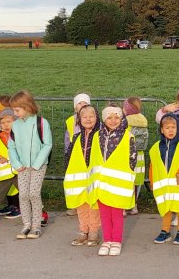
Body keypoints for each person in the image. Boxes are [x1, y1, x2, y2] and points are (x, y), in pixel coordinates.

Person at [92, 105, 136, 256]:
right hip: (102, 184)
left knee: (117, 214)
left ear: (121, 118)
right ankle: (107, 240)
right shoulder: (97, 135)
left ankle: (116, 241)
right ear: (104, 120)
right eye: (109, 117)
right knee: (104, 215)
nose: (113, 120)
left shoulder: (128, 136)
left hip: (118, 185)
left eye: (117, 117)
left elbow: (132, 159)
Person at [8, 90, 52, 240]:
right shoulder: (15, 125)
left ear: (27, 106)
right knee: (23, 195)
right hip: (22, 166)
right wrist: (17, 163)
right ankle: (26, 224)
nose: (15, 113)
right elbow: (11, 146)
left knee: (33, 193)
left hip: (37, 166)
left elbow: (47, 144)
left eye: (17, 110)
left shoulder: (41, 122)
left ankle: (36, 225)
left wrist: (37, 163)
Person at [63, 104, 101, 247]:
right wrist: (67, 171)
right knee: (81, 205)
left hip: (94, 178)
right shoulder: (77, 136)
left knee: (93, 205)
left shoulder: (100, 135)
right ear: (79, 119)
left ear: (97, 118)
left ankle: (93, 232)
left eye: (91, 116)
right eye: (84, 117)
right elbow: (69, 155)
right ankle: (83, 231)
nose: (88, 119)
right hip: (79, 179)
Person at [149, 113, 179, 245]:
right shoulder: (155, 148)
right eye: (167, 128)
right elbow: (152, 166)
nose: (171, 130)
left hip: (178, 184)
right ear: (161, 129)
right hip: (162, 186)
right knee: (165, 208)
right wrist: (152, 181)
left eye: (173, 127)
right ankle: (165, 231)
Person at [64, 93, 91, 217]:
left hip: (88, 153)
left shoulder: (93, 118)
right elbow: (67, 137)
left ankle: (88, 202)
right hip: (73, 154)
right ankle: (74, 205)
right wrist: (67, 153)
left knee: (87, 179)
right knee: (73, 181)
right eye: (80, 103)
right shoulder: (71, 121)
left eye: (85, 103)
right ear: (75, 107)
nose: (82, 105)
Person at [124, 96, 148, 215]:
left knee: (125, 180)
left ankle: (123, 206)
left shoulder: (125, 122)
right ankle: (134, 206)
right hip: (139, 155)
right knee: (135, 181)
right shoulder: (142, 121)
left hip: (127, 154)